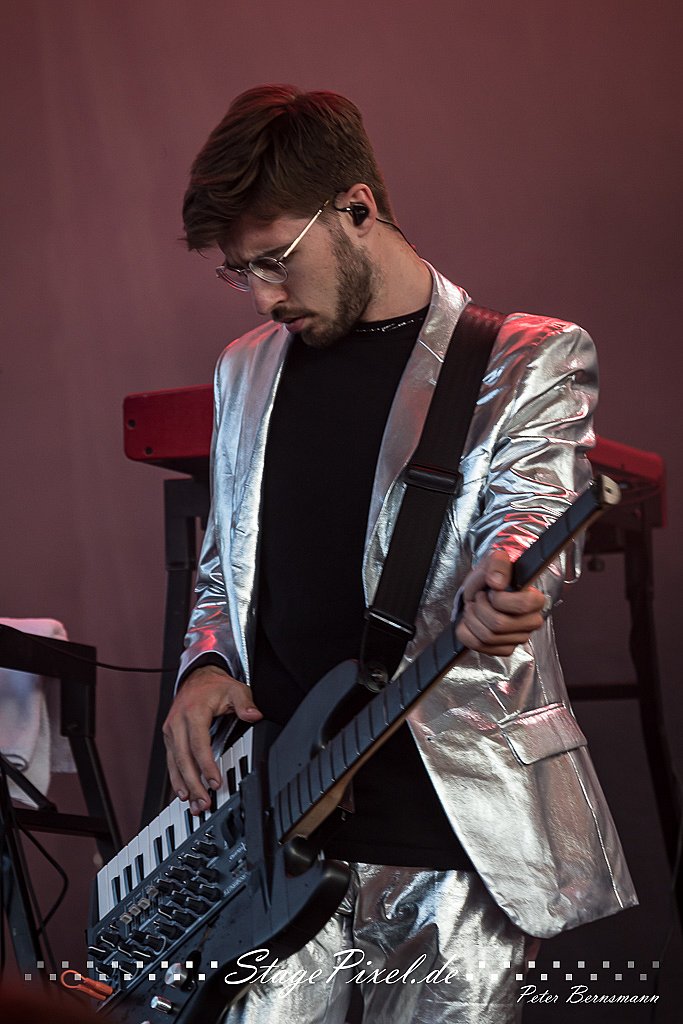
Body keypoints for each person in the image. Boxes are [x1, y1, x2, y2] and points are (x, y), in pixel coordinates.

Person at [162, 85, 636, 1023]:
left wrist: (510, 578)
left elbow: (531, 510)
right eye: (240, 272)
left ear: (356, 207)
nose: (264, 296)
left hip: (447, 825)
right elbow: (225, 563)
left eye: (276, 260)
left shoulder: (523, 359)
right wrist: (205, 663)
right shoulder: (244, 367)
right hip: (278, 830)